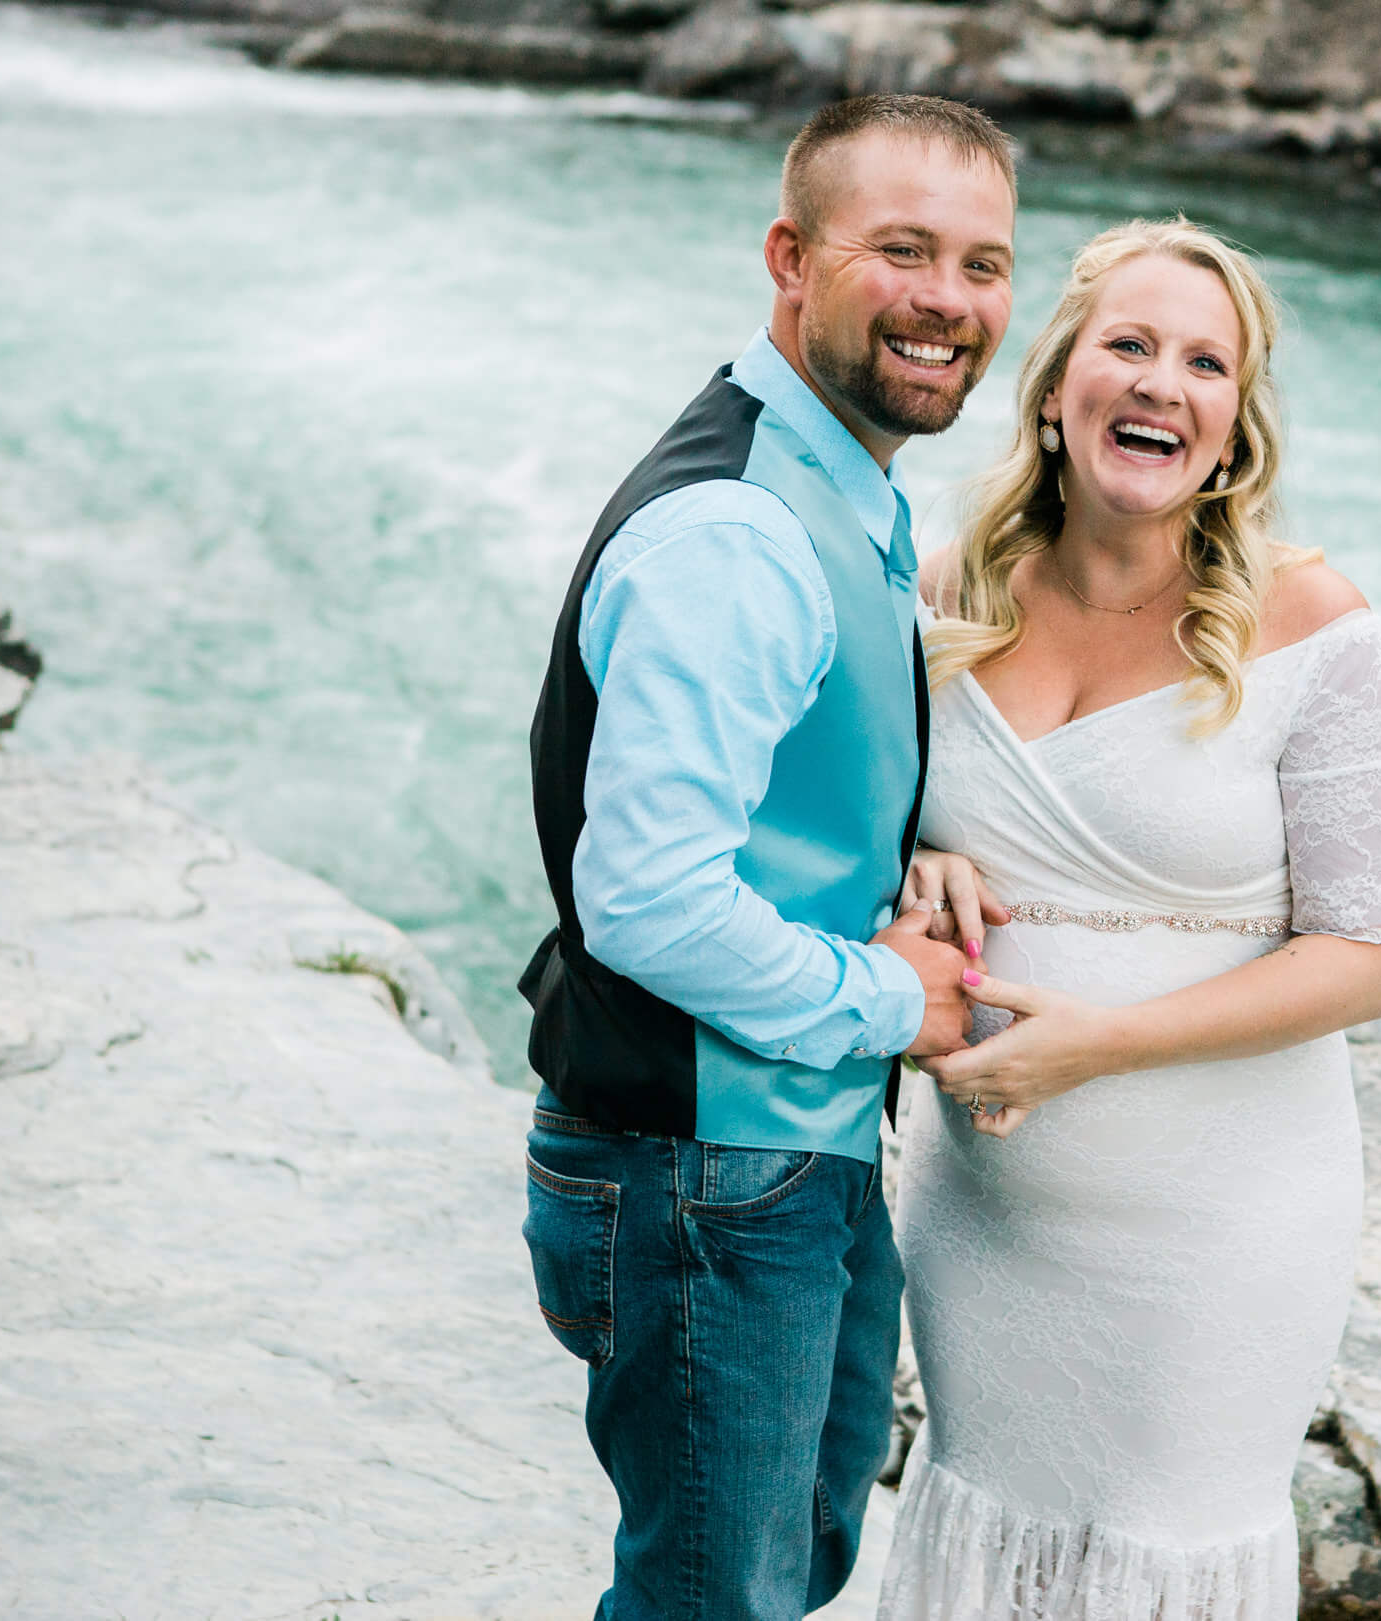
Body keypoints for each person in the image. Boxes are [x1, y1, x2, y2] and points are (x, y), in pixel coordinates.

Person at [515, 93, 1021, 1621]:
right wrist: (893, 998)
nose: (951, 300)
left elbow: (788, 773)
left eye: (986, 264)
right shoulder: (738, 529)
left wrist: (906, 854)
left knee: (775, 1566)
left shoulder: (836, 473)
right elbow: (647, 897)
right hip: (702, 1168)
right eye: (905, 251)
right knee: (713, 1598)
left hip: (768, 1151)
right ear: (791, 258)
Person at [878, 219, 1381, 1618]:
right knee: (978, 1529)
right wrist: (915, 867)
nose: (1161, 383)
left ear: (1235, 428)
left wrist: (1096, 1043)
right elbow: (864, 833)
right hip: (981, 1218)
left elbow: (1365, 961)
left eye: (1205, 363)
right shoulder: (944, 592)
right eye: (1128, 344)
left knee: (1160, 1561)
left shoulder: (1315, 630)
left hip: (1216, 1232)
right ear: (1059, 383)